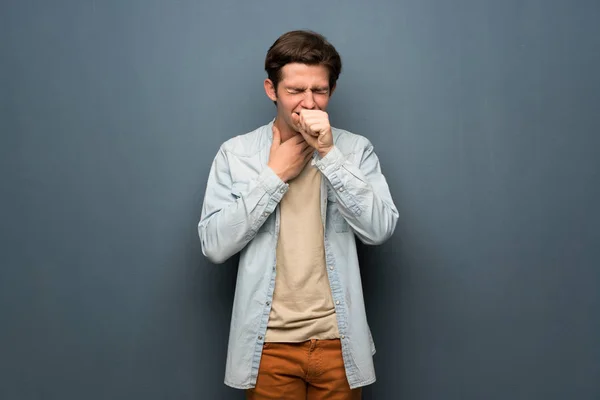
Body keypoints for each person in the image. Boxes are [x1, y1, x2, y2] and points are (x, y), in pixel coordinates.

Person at [198, 30, 398, 400]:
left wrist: (329, 156)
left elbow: (380, 229)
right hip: (267, 346)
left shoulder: (355, 150)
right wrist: (274, 176)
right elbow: (214, 245)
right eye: (295, 91)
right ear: (271, 90)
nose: (308, 103)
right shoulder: (235, 153)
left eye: (319, 91)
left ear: (331, 91)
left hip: (339, 343)